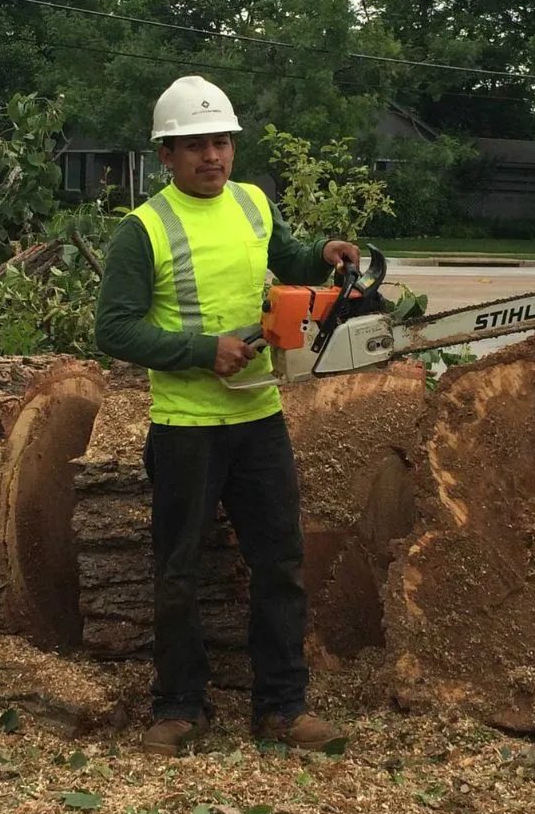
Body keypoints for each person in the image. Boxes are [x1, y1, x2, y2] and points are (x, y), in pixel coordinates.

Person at [95, 76, 359, 757]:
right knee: (178, 572)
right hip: (186, 426)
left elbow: (285, 257)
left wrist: (320, 256)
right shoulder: (144, 229)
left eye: (220, 143)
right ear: (167, 155)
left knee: (280, 563)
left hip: (259, 416)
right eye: (195, 146)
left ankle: (281, 706)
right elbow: (114, 330)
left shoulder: (252, 204)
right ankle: (180, 705)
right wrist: (199, 351)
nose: (211, 157)